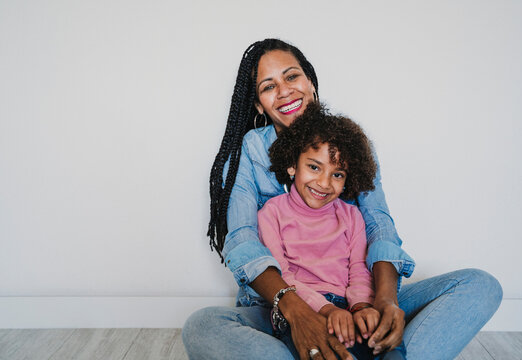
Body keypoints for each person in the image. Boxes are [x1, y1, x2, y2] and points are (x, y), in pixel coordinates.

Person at [182, 38, 503, 360]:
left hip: (356, 300)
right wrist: (300, 314)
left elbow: (378, 223)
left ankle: (375, 345)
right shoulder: (245, 154)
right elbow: (241, 240)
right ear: (258, 104)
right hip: (281, 306)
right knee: (203, 325)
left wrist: (384, 302)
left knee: (479, 285)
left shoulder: (350, 143)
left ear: (310, 81)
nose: (284, 91)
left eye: (292, 77)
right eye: (269, 86)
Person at [258, 102, 407, 360]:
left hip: (349, 306)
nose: (324, 183)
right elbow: (282, 275)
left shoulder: (351, 216)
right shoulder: (272, 213)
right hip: (303, 309)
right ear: (293, 165)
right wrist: (326, 310)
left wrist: (362, 307)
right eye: (314, 167)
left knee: (387, 346)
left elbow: (359, 269)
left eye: (337, 174)